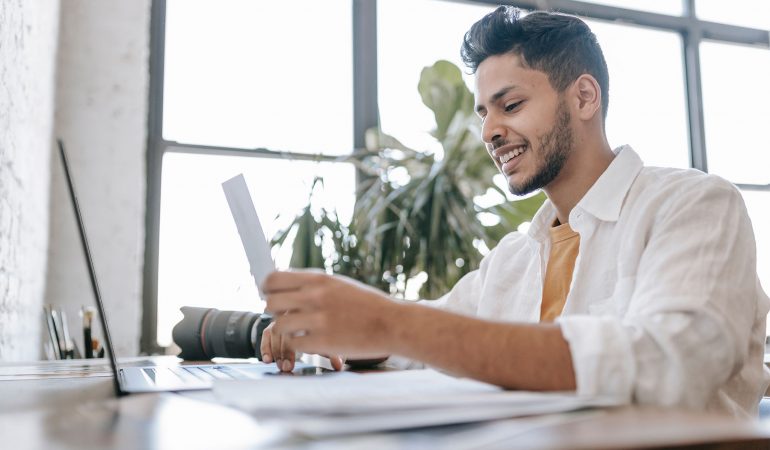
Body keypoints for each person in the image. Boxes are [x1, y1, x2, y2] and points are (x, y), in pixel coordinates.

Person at [259, 6, 770, 416]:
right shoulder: (515, 256)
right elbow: (428, 334)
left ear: (585, 97)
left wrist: (393, 322)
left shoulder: (693, 205)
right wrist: (343, 329)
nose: (489, 132)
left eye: (510, 105)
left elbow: (669, 362)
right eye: (484, 113)